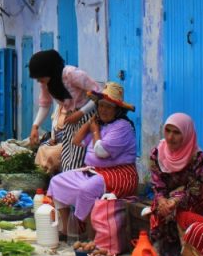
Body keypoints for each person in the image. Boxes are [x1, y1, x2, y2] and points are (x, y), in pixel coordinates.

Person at [47, 82, 138, 236]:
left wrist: (95, 132)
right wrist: (90, 123)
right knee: (57, 181)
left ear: (118, 110)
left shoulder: (123, 126)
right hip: (96, 172)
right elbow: (77, 141)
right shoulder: (102, 124)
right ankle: (68, 229)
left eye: (108, 107)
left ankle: (88, 232)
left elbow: (101, 152)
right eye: (101, 105)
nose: (103, 110)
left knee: (86, 190)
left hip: (119, 174)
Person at [148, 113, 203, 256]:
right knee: (158, 210)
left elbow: (194, 189)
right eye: (168, 131)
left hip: (199, 195)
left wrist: (173, 201)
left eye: (177, 132)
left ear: (187, 134)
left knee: (179, 214)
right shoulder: (157, 153)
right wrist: (162, 200)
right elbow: (157, 183)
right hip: (168, 195)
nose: (170, 137)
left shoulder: (196, 157)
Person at [28, 50, 101, 173]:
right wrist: (35, 126)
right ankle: (67, 185)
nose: (39, 81)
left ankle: (77, 187)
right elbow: (45, 104)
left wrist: (81, 113)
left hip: (88, 118)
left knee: (78, 157)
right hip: (70, 119)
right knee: (67, 156)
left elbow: (99, 94)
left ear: (49, 70)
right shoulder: (47, 83)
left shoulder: (71, 74)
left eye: (40, 77)